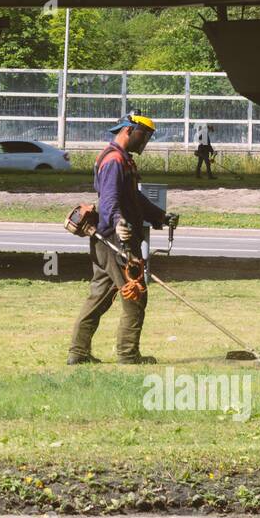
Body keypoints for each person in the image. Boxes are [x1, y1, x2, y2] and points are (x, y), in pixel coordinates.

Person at [67, 113, 178, 366]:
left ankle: (78, 352)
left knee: (100, 296)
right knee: (135, 294)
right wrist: (119, 224)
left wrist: (161, 216)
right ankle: (128, 355)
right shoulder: (115, 160)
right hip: (116, 240)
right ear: (129, 130)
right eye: (144, 136)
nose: (145, 142)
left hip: (107, 239)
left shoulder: (123, 160)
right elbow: (109, 200)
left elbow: (134, 199)